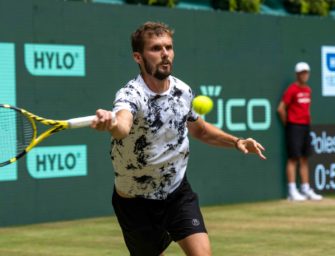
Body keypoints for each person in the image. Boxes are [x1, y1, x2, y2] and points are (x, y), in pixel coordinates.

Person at [91, 21, 266, 256]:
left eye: (169, 47)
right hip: (135, 202)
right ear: (138, 57)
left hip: (176, 192)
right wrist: (111, 123)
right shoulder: (130, 94)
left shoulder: (182, 91)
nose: (165, 54)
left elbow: (200, 130)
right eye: (155, 48)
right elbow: (122, 126)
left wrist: (236, 141)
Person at [277, 62, 322, 202]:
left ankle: (305, 188)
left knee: (304, 158)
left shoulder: (308, 90)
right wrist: (289, 124)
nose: (305, 75)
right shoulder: (292, 89)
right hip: (294, 126)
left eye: (306, 72)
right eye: (302, 72)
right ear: (297, 74)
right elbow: (281, 109)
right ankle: (292, 190)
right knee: (293, 159)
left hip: (305, 126)